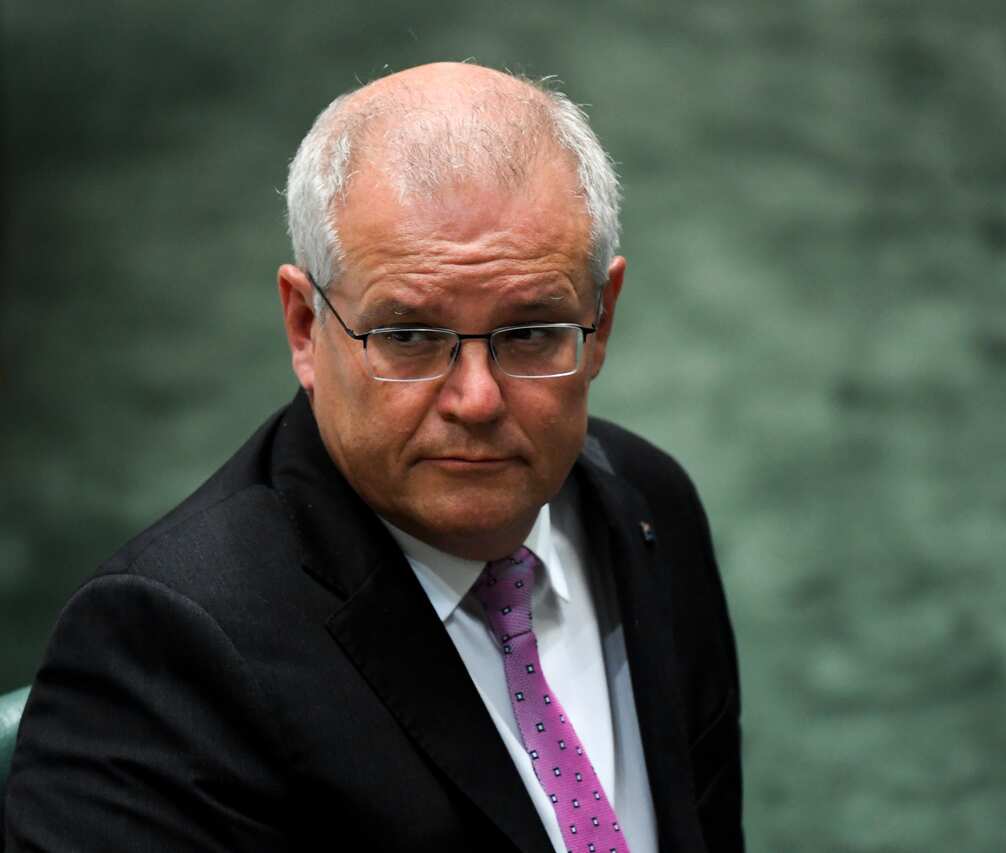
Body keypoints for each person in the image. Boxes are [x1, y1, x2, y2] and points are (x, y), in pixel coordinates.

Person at [3, 62, 742, 852]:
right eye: (409, 336)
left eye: (529, 332)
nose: (477, 399)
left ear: (600, 324)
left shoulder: (648, 505)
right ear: (302, 326)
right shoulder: (163, 649)